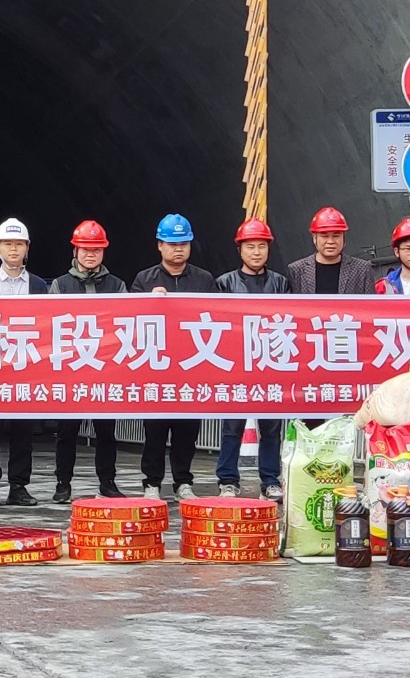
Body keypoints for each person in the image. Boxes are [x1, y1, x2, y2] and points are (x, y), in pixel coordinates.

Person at [132, 213, 218, 501]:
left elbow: (218, 318)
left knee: (187, 431)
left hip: (192, 368)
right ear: (160, 245)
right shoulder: (144, 280)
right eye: (171, 244)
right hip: (156, 369)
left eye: (183, 243)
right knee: (155, 431)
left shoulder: (204, 280)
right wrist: (148, 302)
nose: (177, 249)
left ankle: (183, 481)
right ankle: (151, 483)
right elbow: (130, 322)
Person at [0, 218, 52, 505]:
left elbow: (46, 326)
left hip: (26, 369)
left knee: (23, 431)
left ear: (27, 248)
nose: (13, 249)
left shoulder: (38, 285)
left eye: (19, 244)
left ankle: (18, 486)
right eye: (8, 244)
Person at [50, 220, 127, 502]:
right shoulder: (61, 284)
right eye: (85, 249)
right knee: (66, 432)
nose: (90, 254)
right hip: (71, 370)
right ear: (75, 251)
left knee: (106, 432)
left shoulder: (116, 285)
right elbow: (51, 325)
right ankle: (63, 484)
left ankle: (107, 482)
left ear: (103, 252)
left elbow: (125, 323)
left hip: (104, 371)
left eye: (96, 249)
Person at [214, 218, 290, 500]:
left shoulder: (280, 283)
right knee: (232, 427)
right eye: (250, 246)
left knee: (270, 429)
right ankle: (227, 480)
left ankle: (270, 480)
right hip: (236, 367)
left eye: (261, 246)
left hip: (269, 365)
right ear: (240, 250)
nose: (256, 252)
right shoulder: (224, 283)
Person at [282, 207, 373, 293]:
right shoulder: (297, 270)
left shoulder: (362, 269)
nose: (330, 241)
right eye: (324, 236)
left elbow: (371, 303)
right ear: (314, 238)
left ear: (343, 237)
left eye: (336, 236)